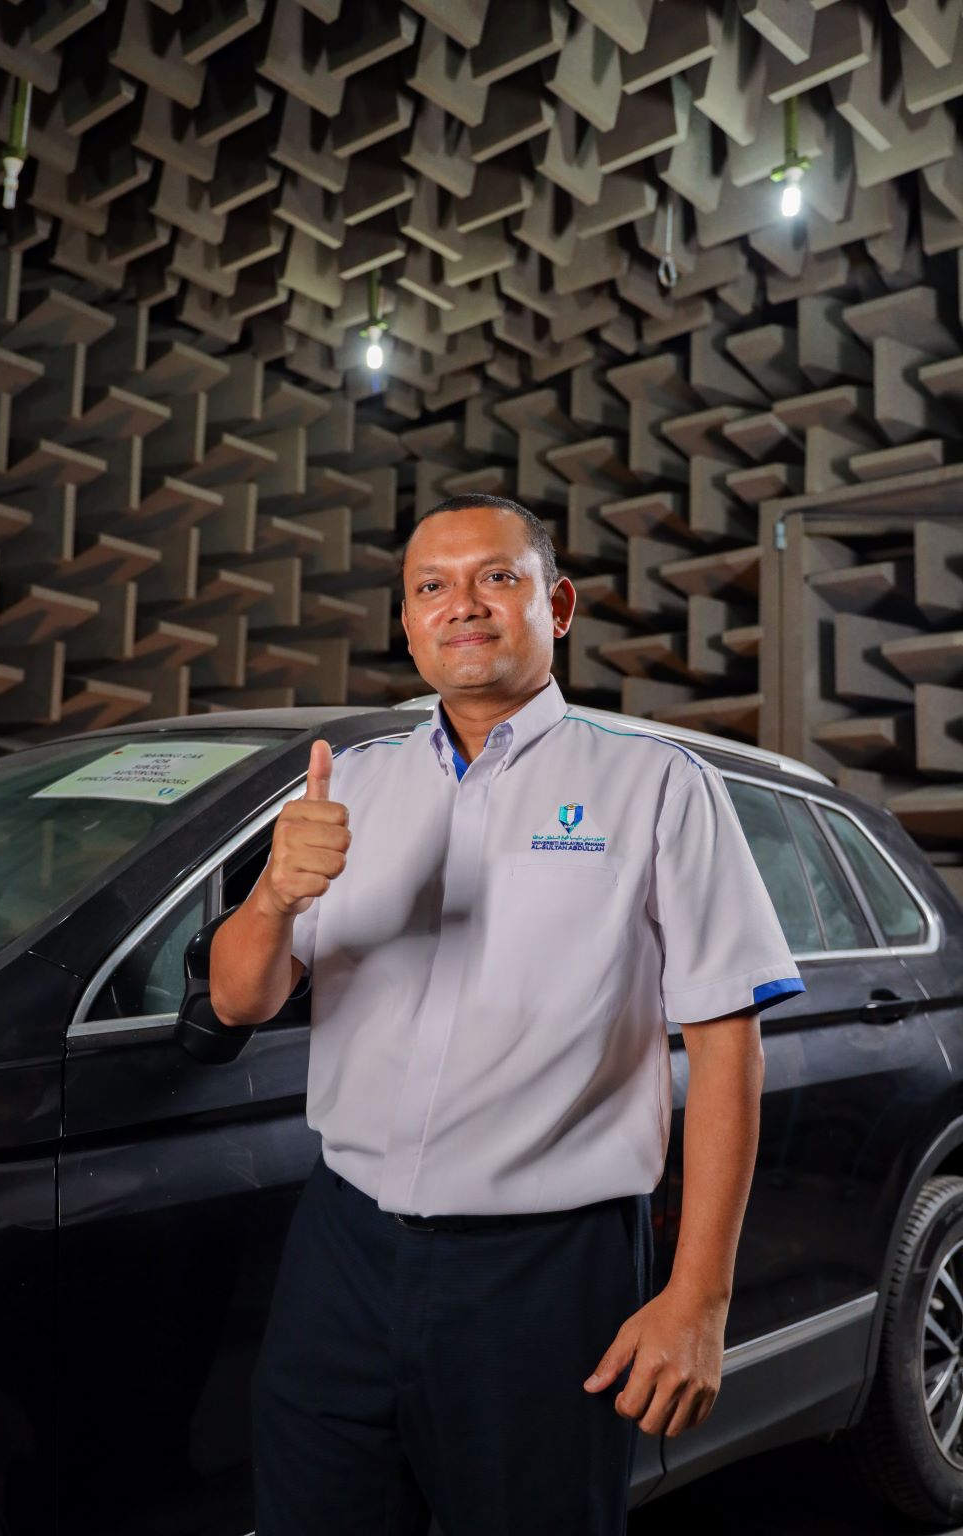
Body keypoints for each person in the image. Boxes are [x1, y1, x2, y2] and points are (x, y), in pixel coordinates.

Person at [209, 493, 806, 1535]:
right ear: (407, 621)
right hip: (341, 1250)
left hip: (544, 1270)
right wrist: (272, 896)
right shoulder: (346, 786)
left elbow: (725, 1050)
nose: (464, 606)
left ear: (556, 603)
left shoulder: (656, 784)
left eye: (497, 576)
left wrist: (698, 1299)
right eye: (432, 586)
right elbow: (236, 998)